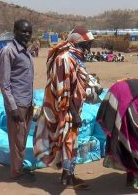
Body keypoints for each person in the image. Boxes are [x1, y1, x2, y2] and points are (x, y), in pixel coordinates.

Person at [34, 27, 94, 189]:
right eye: (87, 44)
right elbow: (64, 89)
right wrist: (73, 113)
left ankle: (67, 175)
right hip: (65, 109)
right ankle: (68, 178)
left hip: (73, 107)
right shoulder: (65, 59)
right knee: (67, 141)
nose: (89, 48)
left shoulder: (75, 57)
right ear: (78, 42)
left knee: (70, 141)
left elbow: (76, 83)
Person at [0, 19, 35, 181]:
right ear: (15, 31)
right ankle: (16, 173)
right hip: (17, 104)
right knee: (16, 140)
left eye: (29, 32)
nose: (26, 34)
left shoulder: (26, 51)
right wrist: (12, 107)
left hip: (27, 101)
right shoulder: (8, 51)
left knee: (23, 139)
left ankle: (19, 167)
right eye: (23, 31)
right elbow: (5, 84)